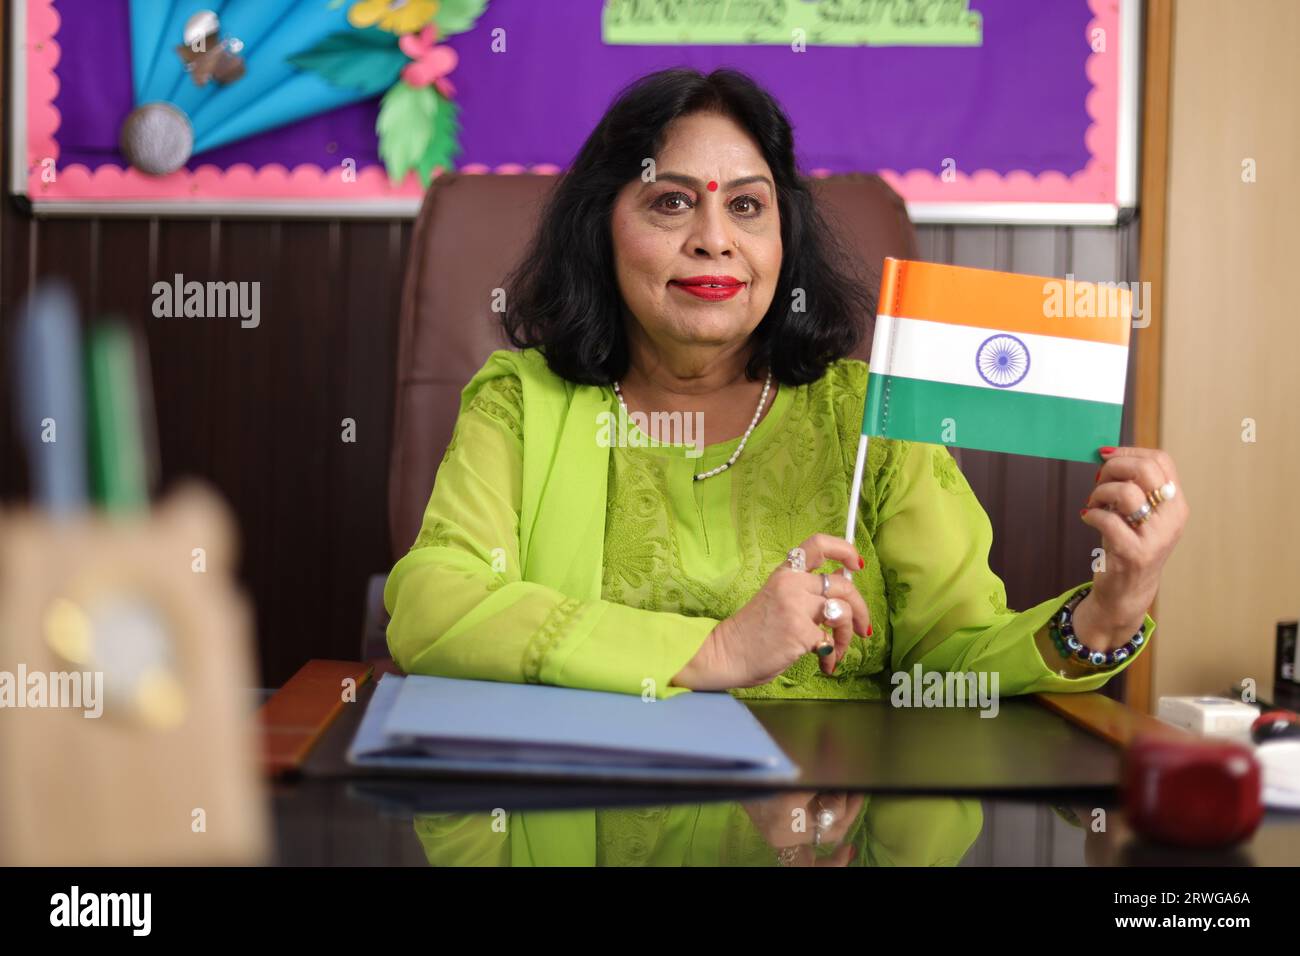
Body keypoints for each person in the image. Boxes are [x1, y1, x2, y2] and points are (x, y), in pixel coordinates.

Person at [384, 67, 1188, 705]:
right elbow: (432, 606)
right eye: (671, 203)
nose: (714, 240)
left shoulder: (868, 413)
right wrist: (718, 652)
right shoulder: (523, 401)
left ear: (783, 240)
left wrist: (1107, 614)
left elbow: (952, 658)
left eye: (746, 206)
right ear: (602, 229)